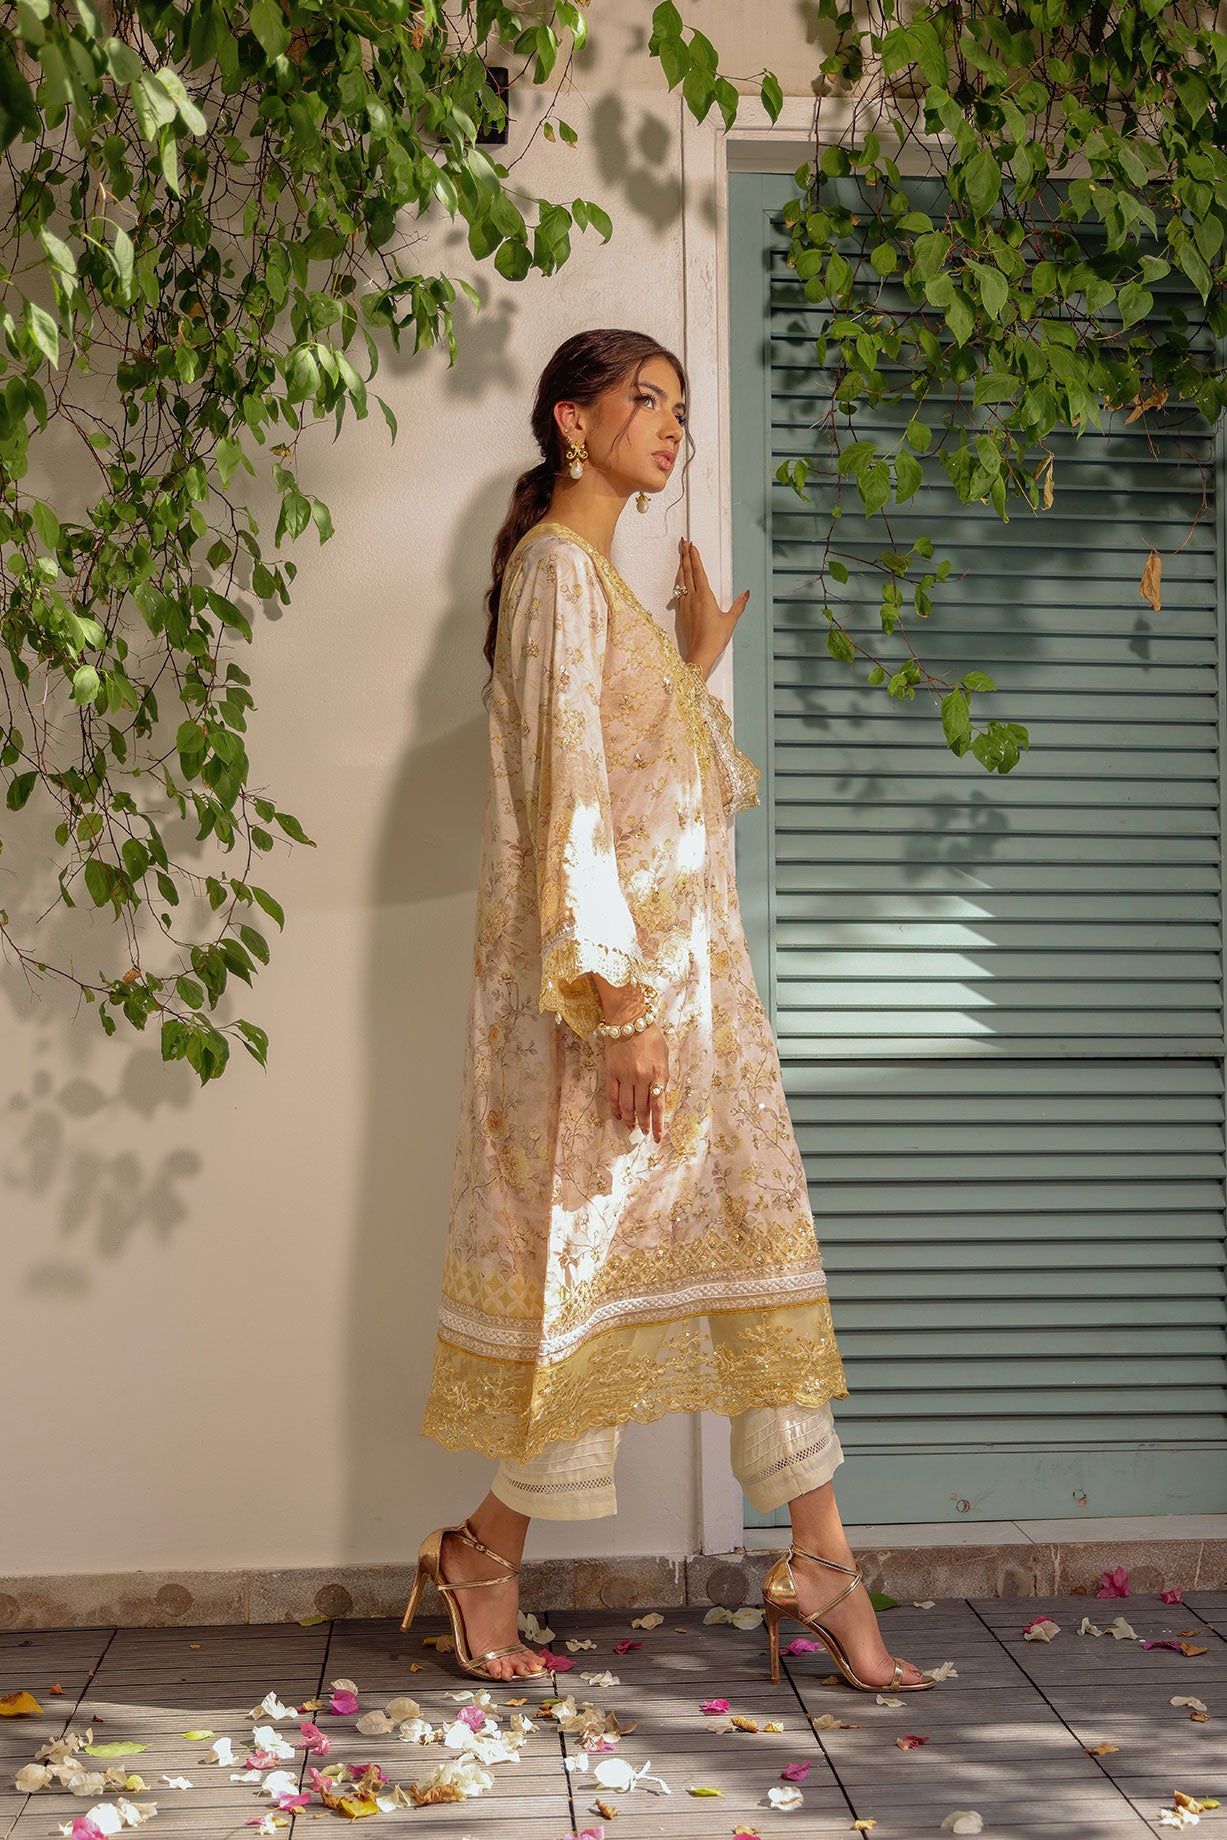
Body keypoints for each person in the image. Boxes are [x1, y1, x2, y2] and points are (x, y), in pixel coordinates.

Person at [407, 328, 931, 1695]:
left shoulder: (603, 592)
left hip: (696, 1002)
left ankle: (819, 1558)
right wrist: (621, 1006)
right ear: (572, 422)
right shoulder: (554, 574)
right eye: (646, 399)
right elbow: (573, 804)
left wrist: (692, 664)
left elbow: (650, 785)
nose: (672, 425)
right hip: (620, 1006)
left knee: (758, 1247)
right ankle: (482, 1549)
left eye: (682, 409)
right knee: (596, 1280)